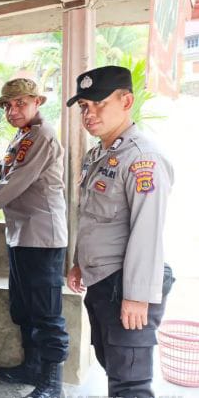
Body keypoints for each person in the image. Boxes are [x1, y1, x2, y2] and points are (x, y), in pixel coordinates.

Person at [0, 78, 69, 398]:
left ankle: (52, 383)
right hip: (21, 234)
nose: (12, 110)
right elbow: (5, 169)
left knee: (47, 313)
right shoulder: (24, 137)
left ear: (37, 103)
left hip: (42, 236)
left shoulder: (42, 136)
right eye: (7, 105)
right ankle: (32, 366)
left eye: (20, 103)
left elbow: (14, 184)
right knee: (23, 306)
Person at [66, 66, 175, 398]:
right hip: (103, 282)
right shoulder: (99, 155)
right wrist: (79, 262)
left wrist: (137, 296)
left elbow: (148, 230)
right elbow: (92, 219)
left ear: (126, 101)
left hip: (127, 285)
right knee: (112, 366)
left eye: (99, 103)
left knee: (131, 384)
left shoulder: (143, 158)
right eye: (85, 105)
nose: (90, 113)